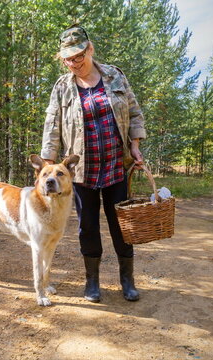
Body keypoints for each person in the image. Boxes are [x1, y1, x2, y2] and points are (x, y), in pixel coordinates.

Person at [41, 26, 147, 302]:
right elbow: (51, 126)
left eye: (79, 56)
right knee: (87, 226)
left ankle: (127, 280)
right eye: (68, 59)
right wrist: (48, 164)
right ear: (62, 60)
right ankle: (92, 282)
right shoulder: (62, 87)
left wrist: (135, 144)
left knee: (121, 225)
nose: (75, 63)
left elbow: (134, 112)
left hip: (116, 165)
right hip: (81, 172)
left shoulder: (114, 75)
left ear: (90, 49)